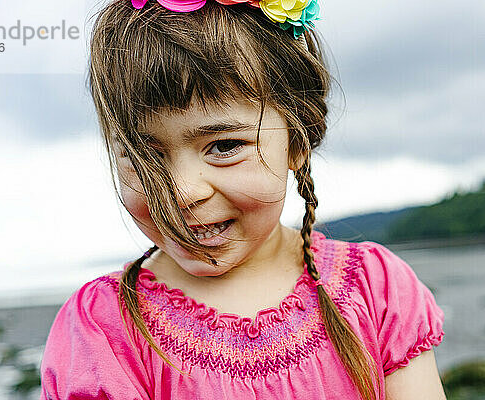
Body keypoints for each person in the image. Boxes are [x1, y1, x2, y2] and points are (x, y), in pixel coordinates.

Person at [39, 0, 447, 399]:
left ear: (296, 142)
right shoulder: (104, 330)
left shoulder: (375, 290)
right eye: (144, 156)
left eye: (224, 146)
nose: (182, 193)